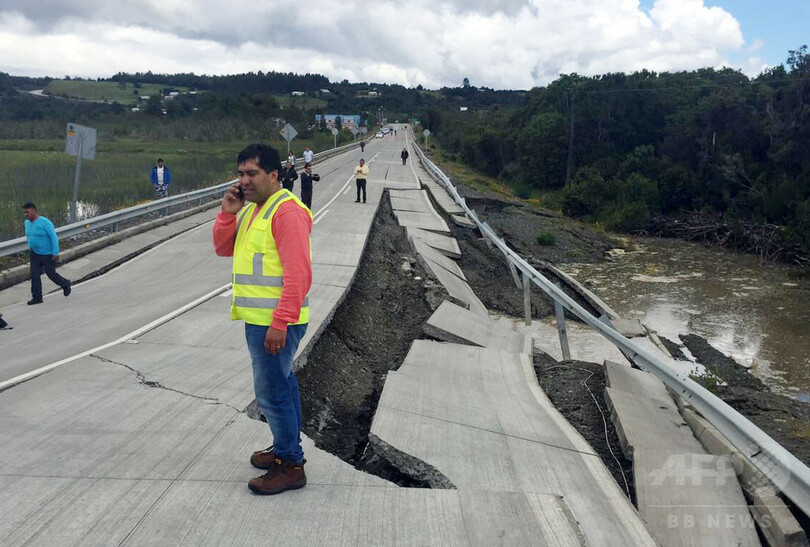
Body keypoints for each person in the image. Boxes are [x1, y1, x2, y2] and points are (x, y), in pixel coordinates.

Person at [213, 143, 312, 496]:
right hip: (261, 320)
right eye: (241, 174)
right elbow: (224, 248)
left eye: (252, 173)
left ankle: (291, 465)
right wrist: (227, 213)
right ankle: (286, 448)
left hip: (276, 322)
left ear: (273, 175)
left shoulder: (286, 212)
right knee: (282, 386)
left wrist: (280, 322)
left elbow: (299, 274)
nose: (244, 181)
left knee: (271, 394)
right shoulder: (255, 209)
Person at [22, 202, 72, 305]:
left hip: (47, 254)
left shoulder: (45, 223)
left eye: (27, 212)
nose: (25, 214)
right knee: (34, 275)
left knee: (51, 274)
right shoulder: (26, 223)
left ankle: (65, 284)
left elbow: (53, 237)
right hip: (34, 253)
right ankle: (37, 297)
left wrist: (55, 253)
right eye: (24, 212)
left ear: (34, 211)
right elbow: (29, 236)